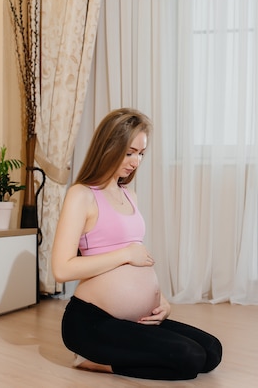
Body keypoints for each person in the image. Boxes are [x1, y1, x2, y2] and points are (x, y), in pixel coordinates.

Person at [51, 108, 222, 381]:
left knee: (212, 351)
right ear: (109, 146)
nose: (136, 161)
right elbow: (62, 269)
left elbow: (138, 260)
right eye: (130, 152)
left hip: (132, 321)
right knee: (190, 359)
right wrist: (125, 254)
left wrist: (161, 301)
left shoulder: (129, 195)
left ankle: (122, 350)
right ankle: (93, 362)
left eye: (141, 153)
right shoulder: (81, 195)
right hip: (90, 322)